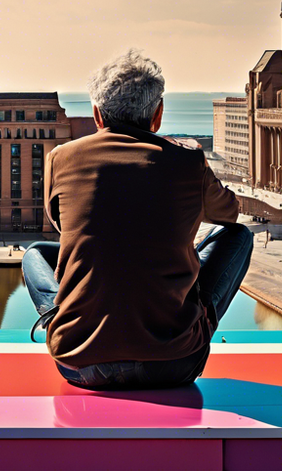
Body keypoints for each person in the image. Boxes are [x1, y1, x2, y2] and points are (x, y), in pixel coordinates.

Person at [21, 50, 250, 390]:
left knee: (35, 254)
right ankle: (192, 325)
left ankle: (62, 318)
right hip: (174, 364)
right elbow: (229, 214)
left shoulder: (61, 158)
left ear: (97, 114)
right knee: (239, 237)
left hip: (80, 364)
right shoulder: (187, 161)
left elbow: (61, 224)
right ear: (157, 115)